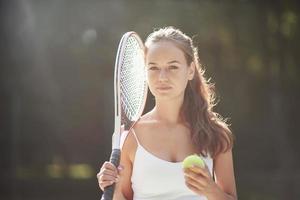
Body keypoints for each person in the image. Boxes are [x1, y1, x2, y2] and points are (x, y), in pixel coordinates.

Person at [97, 26, 237, 200]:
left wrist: (211, 190)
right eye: (153, 68)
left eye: (173, 67)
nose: (162, 77)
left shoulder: (217, 134)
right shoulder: (131, 136)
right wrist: (115, 190)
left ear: (190, 70)